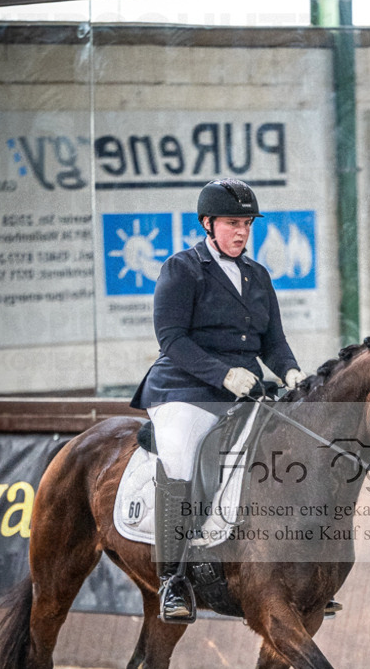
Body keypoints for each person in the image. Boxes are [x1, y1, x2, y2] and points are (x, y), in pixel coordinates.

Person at [131, 178, 306, 622]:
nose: (242, 231)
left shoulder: (258, 275)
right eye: (232, 222)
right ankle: (172, 578)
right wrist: (223, 374)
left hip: (243, 389)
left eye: (247, 223)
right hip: (184, 390)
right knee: (182, 457)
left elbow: (274, 342)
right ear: (208, 223)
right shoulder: (181, 269)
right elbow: (172, 339)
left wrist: (291, 373)